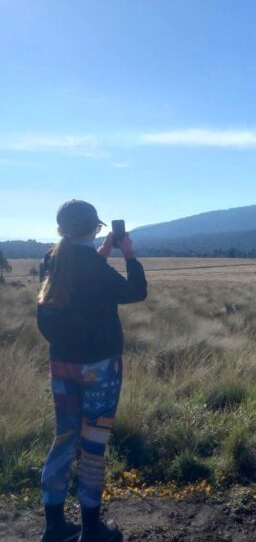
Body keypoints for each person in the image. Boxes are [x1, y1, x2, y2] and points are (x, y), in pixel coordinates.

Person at [37, 200, 147, 542]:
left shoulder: (52, 260)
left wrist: (101, 253)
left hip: (62, 365)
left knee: (64, 439)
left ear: (60, 230)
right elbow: (135, 292)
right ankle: (92, 530)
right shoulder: (92, 267)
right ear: (96, 228)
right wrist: (127, 255)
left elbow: (78, 283)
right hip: (99, 367)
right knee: (93, 445)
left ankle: (54, 528)